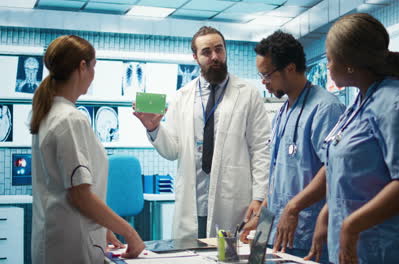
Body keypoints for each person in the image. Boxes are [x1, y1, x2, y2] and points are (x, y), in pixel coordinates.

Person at [312, 13, 399, 264]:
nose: (327, 66)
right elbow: (346, 174)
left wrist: (352, 225)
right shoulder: (359, 102)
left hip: (387, 244)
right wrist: (327, 215)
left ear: (349, 63)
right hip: (355, 243)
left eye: (329, 59)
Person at [134, 26, 270, 239]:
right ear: (195, 57)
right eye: (206, 52)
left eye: (219, 49)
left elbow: (261, 148)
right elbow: (172, 150)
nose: (215, 57)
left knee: (229, 260)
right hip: (193, 203)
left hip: (233, 202)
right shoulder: (182, 96)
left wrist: (260, 196)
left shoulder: (248, 94)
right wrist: (153, 128)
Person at [30, 35, 145, 264]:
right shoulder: (69, 119)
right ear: (82, 66)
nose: (93, 76)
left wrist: (103, 227)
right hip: (72, 247)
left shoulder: (49, 113)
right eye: (94, 67)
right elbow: (80, 195)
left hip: (56, 240)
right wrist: (130, 233)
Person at [241, 31, 345, 260]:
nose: (264, 82)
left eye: (267, 75)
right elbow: (279, 179)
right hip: (278, 234)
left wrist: (293, 207)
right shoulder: (281, 113)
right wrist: (262, 216)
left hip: (309, 236)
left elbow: (335, 169)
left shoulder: (325, 109)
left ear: (289, 68)